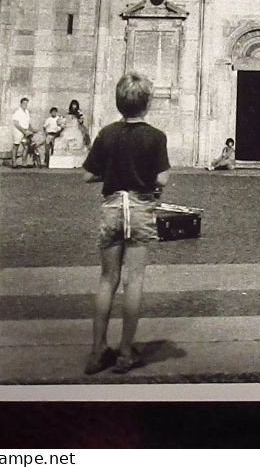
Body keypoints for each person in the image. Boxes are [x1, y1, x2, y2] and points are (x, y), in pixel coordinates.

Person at [81, 72, 170, 376]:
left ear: (119, 102)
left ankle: (96, 351)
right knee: (134, 280)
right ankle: (124, 352)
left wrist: (112, 171)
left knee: (108, 279)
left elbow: (87, 174)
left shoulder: (107, 133)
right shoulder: (156, 137)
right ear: (147, 103)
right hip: (140, 207)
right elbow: (162, 178)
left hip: (112, 207)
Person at [10, 97, 32, 166]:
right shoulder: (17, 112)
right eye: (24, 103)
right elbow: (16, 123)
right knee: (16, 146)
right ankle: (14, 163)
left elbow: (28, 123)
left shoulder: (27, 112)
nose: (25, 105)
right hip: (18, 131)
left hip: (25, 131)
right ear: (21, 103)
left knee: (26, 147)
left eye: (26, 103)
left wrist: (30, 130)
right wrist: (23, 131)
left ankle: (24, 162)